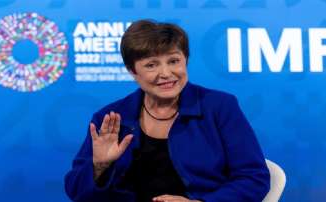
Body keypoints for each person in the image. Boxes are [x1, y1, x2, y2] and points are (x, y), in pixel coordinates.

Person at [64, 19, 270, 202]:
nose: (166, 73)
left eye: (173, 61)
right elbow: (77, 193)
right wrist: (99, 166)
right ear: (132, 71)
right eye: (151, 65)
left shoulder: (220, 106)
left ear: (185, 60)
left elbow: (253, 178)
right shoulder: (111, 118)